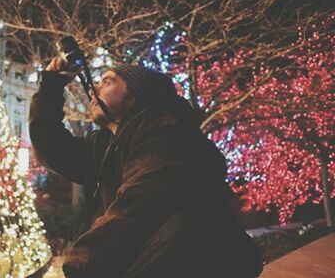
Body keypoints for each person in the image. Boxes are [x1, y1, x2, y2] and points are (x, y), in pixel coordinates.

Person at [29, 56, 263, 278]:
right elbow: (53, 148)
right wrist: (51, 85)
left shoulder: (169, 134)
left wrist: (83, 262)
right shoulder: (107, 146)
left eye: (108, 81)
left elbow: (140, 205)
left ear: (136, 95)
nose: (94, 89)